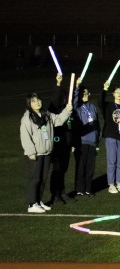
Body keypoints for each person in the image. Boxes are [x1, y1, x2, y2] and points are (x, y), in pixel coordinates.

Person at [20, 91, 73, 213]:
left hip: (47, 152)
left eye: (38, 100)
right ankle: (32, 204)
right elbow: (25, 136)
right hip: (35, 154)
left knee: (43, 179)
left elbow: (59, 120)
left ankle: (38, 201)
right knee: (35, 179)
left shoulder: (46, 114)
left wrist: (67, 110)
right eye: (33, 101)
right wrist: (31, 152)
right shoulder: (27, 118)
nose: (37, 103)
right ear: (29, 104)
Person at [48, 73, 74, 204]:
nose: (64, 99)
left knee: (63, 169)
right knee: (57, 169)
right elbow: (55, 99)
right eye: (62, 97)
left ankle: (62, 192)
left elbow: (72, 128)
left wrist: (72, 143)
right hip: (57, 144)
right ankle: (55, 194)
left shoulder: (68, 110)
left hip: (67, 145)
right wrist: (58, 84)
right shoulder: (54, 110)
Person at [72, 79, 101, 197]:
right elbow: (73, 100)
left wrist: (97, 139)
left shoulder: (92, 107)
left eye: (87, 93)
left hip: (92, 142)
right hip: (82, 142)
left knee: (90, 168)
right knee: (81, 167)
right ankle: (79, 189)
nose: (86, 95)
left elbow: (97, 125)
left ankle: (88, 189)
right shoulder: (77, 108)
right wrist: (77, 87)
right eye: (83, 93)